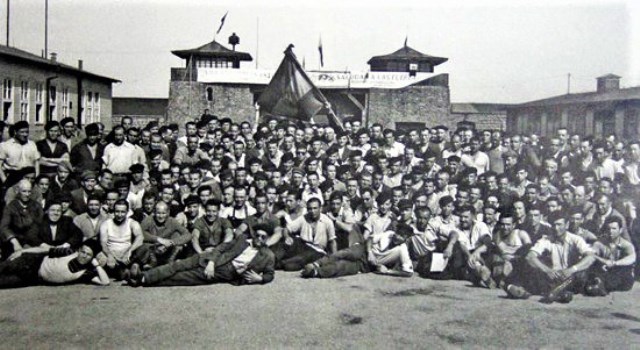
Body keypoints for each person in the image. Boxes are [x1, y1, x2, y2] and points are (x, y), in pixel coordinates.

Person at [127, 227, 275, 287]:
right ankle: (142, 275)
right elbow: (221, 248)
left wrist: (261, 279)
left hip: (226, 272)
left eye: (263, 237)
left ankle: (142, 280)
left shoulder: (268, 255)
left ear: (267, 239)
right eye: (258, 235)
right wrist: (211, 262)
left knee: (183, 278)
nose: (259, 239)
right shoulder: (242, 240)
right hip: (212, 258)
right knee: (177, 265)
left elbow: (270, 274)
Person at [505, 212, 595, 302]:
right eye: (554, 225)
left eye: (559, 225)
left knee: (581, 273)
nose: (556, 228)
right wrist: (547, 270)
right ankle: (559, 293)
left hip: (571, 276)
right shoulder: (546, 239)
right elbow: (530, 256)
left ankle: (556, 293)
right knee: (528, 265)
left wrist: (572, 269)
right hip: (553, 276)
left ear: (567, 225)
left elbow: (591, 257)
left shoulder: (576, 239)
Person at [0, 241, 109, 288]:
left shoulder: (86, 273)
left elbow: (105, 282)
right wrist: (23, 252)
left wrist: (97, 266)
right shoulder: (69, 252)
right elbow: (45, 250)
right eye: (83, 252)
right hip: (33, 261)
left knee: (4, 283)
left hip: (33, 278)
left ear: (92, 258)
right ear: (79, 250)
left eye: (88, 255)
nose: (84, 256)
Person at [277, 197, 337, 271]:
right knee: (287, 246)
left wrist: (334, 258)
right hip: (303, 245)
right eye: (310, 209)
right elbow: (287, 229)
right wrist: (287, 237)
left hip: (318, 251)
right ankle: (273, 260)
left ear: (320, 209)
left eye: (315, 208)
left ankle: (280, 264)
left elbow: (332, 241)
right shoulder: (304, 218)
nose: (312, 211)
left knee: (294, 262)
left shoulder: (327, 221)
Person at [363, 192, 414, 277]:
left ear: (391, 204)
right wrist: (369, 251)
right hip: (373, 247)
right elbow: (367, 237)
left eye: (387, 204)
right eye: (381, 204)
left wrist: (388, 271)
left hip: (387, 253)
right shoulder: (373, 217)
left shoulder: (393, 218)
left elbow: (398, 234)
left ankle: (398, 265)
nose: (383, 207)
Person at [585, 216, 636, 295]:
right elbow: (590, 254)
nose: (610, 231)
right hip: (605, 271)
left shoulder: (626, 245)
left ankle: (601, 286)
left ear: (620, 230)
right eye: (608, 229)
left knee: (625, 277)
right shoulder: (599, 243)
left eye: (614, 229)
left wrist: (614, 263)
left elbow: (632, 258)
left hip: (619, 273)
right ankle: (600, 285)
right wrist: (603, 261)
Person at [98, 199, 145, 279]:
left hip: (127, 256)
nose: (119, 215)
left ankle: (128, 271)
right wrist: (110, 256)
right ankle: (125, 272)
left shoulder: (132, 223)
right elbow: (103, 243)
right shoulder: (106, 224)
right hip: (112, 255)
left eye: (123, 212)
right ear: (113, 211)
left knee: (143, 248)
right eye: (117, 211)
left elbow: (140, 237)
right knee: (101, 257)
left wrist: (129, 252)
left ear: (127, 212)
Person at [140, 201, 192, 267]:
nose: (161, 216)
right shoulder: (148, 220)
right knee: (143, 245)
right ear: (154, 212)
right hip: (152, 249)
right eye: (158, 213)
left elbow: (188, 235)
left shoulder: (172, 221)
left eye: (163, 213)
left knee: (177, 234)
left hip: (167, 250)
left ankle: (169, 262)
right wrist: (158, 239)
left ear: (168, 213)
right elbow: (140, 233)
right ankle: (151, 263)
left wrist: (171, 242)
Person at [0, 179, 44, 258]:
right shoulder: (11, 206)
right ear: (18, 191)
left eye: (29, 191)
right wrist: (14, 242)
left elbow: (40, 223)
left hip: (33, 241)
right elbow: (4, 227)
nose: (27, 194)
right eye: (24, 191)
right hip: (15, 242)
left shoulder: (36, 206)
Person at [0, 121, 40, 188]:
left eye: (27, 132)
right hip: (12, 177)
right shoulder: (5, 145)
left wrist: (36, 177)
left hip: (29, 178)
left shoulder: (32, 144)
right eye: (22, 132)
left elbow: (37, 162)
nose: (25, 134)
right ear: (15, 132)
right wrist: (5, 181)